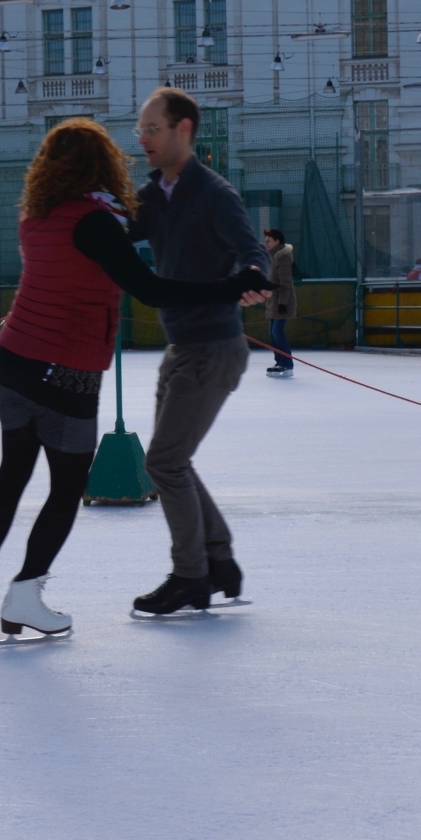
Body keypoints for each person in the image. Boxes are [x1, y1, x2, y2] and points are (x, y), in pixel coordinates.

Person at [0, 118, 274, 637]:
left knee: (12, 472)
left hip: (14, 361)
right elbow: (149, 289)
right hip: (65, 371)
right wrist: (231, 286)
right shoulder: (94, 222)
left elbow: (118, 236)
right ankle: (25, 595)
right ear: (103, 164)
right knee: (66, 488)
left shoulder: (36, 216)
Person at [129, 87, 272, 616]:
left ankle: (193, 575)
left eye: (152, 129)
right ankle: (218, 559)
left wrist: (252, 275)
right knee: (173, 461)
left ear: (183, 129)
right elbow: (116, 234)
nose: (143, 139)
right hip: (181, 346)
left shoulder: (213, 194)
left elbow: (251, 251)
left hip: (213, 348)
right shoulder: (152, 196)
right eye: (141, 130)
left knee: (165, 462)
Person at [264, 228, 297, 378]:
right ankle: (279, 362)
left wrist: (282, 303)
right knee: (272, 332)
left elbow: (285, 283)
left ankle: (287, 364)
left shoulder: (282, 257)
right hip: (274, 300)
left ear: (277, 241)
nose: (266, 243)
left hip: (282, 302)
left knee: (277, 331)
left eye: (269, 241)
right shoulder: (273, 257)